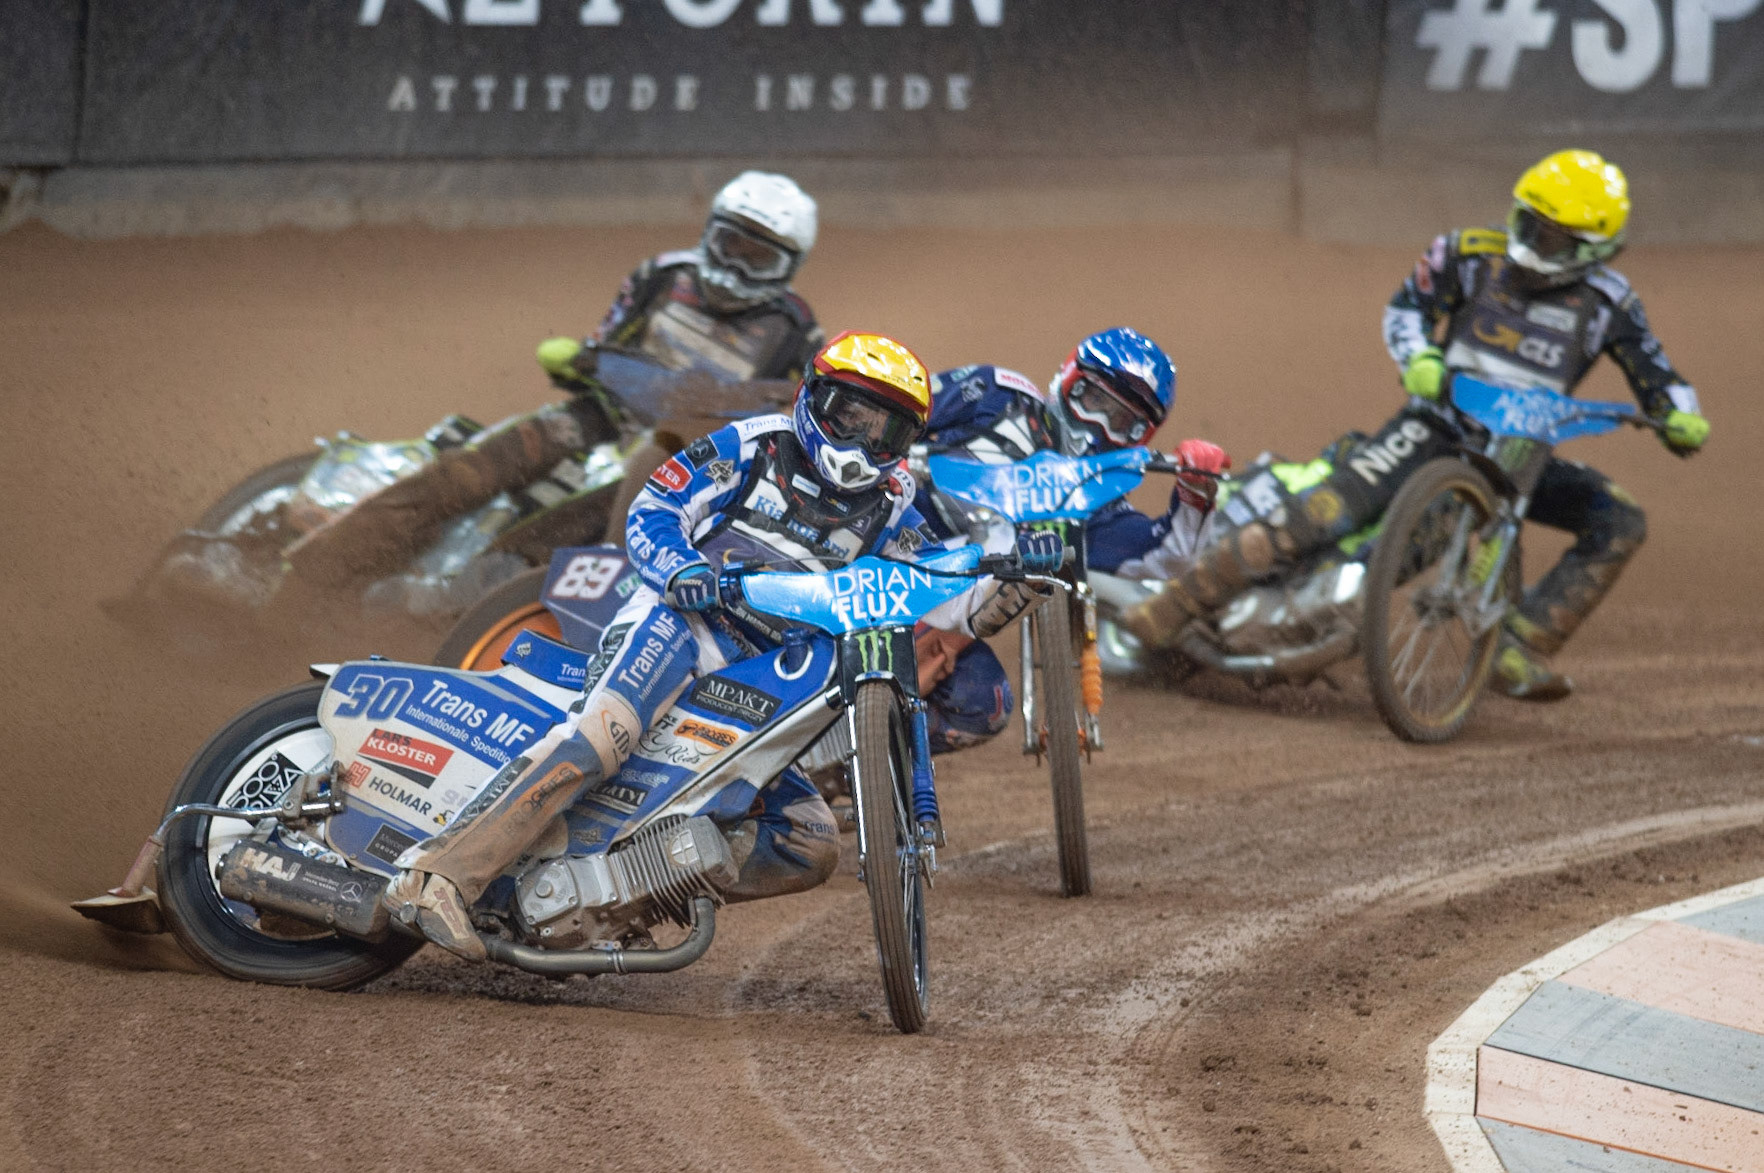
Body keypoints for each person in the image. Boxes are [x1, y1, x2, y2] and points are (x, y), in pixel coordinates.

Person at [383, 331, 1063, 960]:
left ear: (904, 442)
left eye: (883, 431)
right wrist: (683, 568)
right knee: (604, 733)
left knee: (808, 840)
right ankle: (435, 876)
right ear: (811, 397)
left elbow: (937, 593)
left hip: (767, 674)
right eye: (849, 416)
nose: (860, 442)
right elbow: (655, 507)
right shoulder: (753, 444)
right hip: (681, 623)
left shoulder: (894, 501)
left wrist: (1018, 578)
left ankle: (621, 891)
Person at [1122, 149, 1709, 700]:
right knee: (1324, 511)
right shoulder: (1470, 254)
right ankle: (1175, 604)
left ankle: (1523, 643)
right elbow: (1407, 308)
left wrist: (1681, 415)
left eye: (1552, 236)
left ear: (1593, 249)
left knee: (1620, 518)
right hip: (1435, 423)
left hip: (1523, 453)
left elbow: (1656, 374)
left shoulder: (1613, 302)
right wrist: (1420, 358)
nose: (1531, 242)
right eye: (1528, 223)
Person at [283, 171, 825, 591]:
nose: (736, 267)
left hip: (669, 459)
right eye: (731, 244)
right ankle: (315, 567)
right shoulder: (661, 276)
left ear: (790, 267)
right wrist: (586, 361)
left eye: (759, 259)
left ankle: (465, 595)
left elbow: (788, 419)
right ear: (710, 232)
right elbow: (601, 345)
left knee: (581, 527)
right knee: (467, 474)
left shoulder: (795, 331)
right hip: (597, 418)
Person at [909, 328, 1230, 752]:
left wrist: (1196, 493)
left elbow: (1166, 557)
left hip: (939, 620)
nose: (1098, 427)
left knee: (985, 706)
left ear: (1141, 439)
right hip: (878, 555)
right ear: (1066, 378)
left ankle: (862, 774)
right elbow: (900, 408)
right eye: (1093, 401)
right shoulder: (995, 394)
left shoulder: (1092, 504)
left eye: (1123, 423)